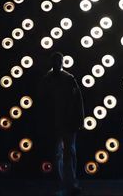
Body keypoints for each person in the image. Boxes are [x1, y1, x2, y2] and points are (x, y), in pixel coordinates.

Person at [37, 52, 85, 195]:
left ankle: (69, 183)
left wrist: (80, 119)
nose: (57, 64)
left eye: (58, 62)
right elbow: (42, 101)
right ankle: (64, 183)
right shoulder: (49, 79)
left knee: (68, 152)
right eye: (55, 62)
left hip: (66, 121)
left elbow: (78, 100)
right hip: (56, 122)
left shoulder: (67, 79)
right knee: (61, 152)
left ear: (62, 62)